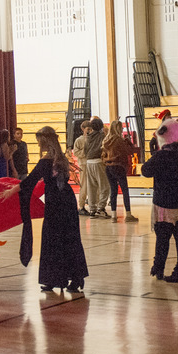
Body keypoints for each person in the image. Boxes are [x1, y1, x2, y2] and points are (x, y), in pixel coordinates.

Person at [9, 126, 89, 292]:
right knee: (70, 238)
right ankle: (74, 278)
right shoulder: (61, 158)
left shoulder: (46, 161)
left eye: (39, 142)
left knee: (52, 240)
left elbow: (29, 182)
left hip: (56, 203)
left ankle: (54, 278)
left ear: (44, 141)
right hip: (67, 200)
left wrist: (11, 190)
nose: (38, 146)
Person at [141, 118, 178, 283]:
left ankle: (159, 267)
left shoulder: (161, 156)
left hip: (165, 203)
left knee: (162, 239)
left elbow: (145, 171)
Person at [102, 119, 138, 222]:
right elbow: (129, 152)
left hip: (108, 167)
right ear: (118, 128)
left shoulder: (105, 140)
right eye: (121, 128)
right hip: (118, 166)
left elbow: (102, 155)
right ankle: (128, 214)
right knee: (125, 190)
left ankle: (113, 215)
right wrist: (128, 142)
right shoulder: (119, 140)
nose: (122, 129)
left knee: (113, 191)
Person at [83, 117, 109, 217]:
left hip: (88, 162)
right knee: (104, 186)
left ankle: (92, 209)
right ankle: (100, 208)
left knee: (91, 187)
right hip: (98, 161)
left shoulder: (87, 136)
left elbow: (85, 150)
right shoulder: (102, 135)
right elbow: (105, 148)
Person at [73, 120, 91, 215]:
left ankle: (93, 205)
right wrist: (85, 152)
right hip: (83, 165)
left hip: (92, 165)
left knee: (93, 186)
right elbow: (76, 152)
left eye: (90, 129)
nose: (89, 131)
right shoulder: (79, 140)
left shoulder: (93, 138)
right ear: (83, 129)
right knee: (84, 186)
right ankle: (81, 206)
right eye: (88, 129)